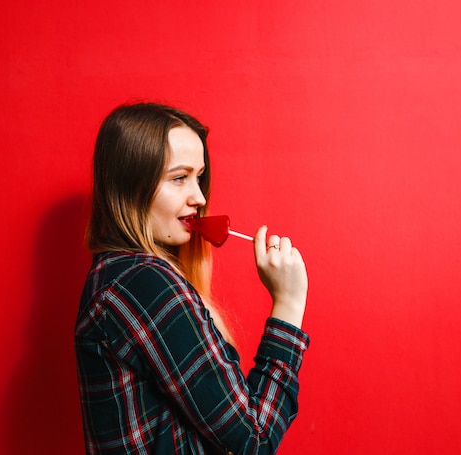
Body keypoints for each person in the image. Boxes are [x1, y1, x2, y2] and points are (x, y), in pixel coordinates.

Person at [75, 102, 310, 454]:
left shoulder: (113, 278)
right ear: (130, 186)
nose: (199, 198)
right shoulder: (145, 283)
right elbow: (254, 440)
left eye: (198, 177)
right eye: (179, 177)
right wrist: (289, 305)